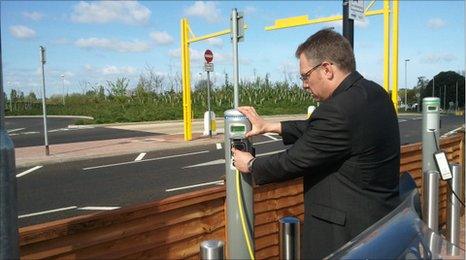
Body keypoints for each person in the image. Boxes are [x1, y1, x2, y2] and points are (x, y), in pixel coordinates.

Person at [232, 29, 401, 259]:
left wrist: (251, 164)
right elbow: (320, 132)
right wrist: (269, 126)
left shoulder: (338, 110)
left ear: (327, 69)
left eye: (305, 76)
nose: (304, 84)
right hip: (379, 223)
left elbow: (293, 161)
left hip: (345, 236)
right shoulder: (374, 93)